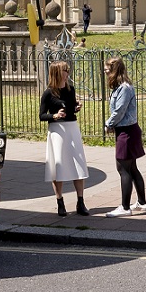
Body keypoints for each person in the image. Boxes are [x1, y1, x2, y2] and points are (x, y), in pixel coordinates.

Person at [39, 61, 89, 216]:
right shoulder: (48, 93)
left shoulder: (70, 90)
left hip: (72, 128)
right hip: (57, 131)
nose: (68, 73)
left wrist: (76, 108)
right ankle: (60, 201)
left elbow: (71, 107)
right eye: (65, 70)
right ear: (57, 73)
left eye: (68, 70)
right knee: (59, 166)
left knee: (78, 164)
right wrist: (54, 115)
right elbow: (42, 115)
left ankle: (80, 202)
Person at [103, 57, 146, 217]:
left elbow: (120, 110)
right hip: (127, 130)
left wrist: (108, 124)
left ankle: (125, 207)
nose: (105, 72)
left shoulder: (124, 88)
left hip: (127, 132)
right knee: (132, 168)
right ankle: (142, 203)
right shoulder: (120, 88)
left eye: (107, 69)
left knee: (122, 168)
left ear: (115, 70)